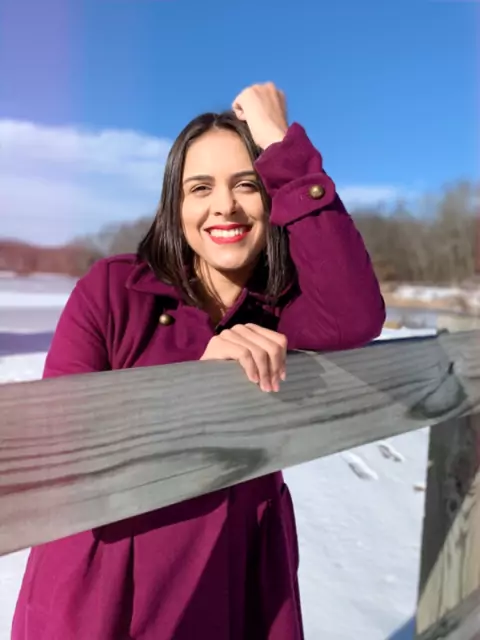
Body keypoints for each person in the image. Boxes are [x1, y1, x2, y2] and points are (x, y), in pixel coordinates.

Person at [12, 82, 385, 640]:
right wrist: (195, 392)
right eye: (200, 187)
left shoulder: (281, 311)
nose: (224, 206)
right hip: (109, 593)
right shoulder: (115, 291)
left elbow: (356, 316)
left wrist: (281, 143)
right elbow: (51, 450)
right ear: (176, 206)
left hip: (240, 583)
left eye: (247, 184)